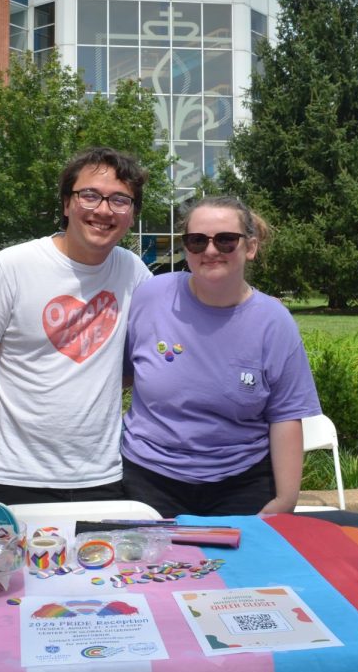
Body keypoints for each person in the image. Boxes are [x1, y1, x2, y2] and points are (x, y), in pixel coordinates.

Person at [0, 147, 151, 506]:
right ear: (65, 204)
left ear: (132, 215)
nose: (103, 210)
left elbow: (153, 352)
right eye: (89, 195)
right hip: (12, 475)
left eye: (120, 200)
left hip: (102, 475)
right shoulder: (12, 266)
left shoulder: (133, 272)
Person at [121, 196, 322, 516]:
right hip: (148, 478)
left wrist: (284, 501)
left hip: (241, 482)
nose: (210, 250)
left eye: (226, 240)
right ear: (186, 248)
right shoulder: (152, 297)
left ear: (250, 247)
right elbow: (121, 375)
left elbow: (285, 416)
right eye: (197, 241)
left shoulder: (274, 322)